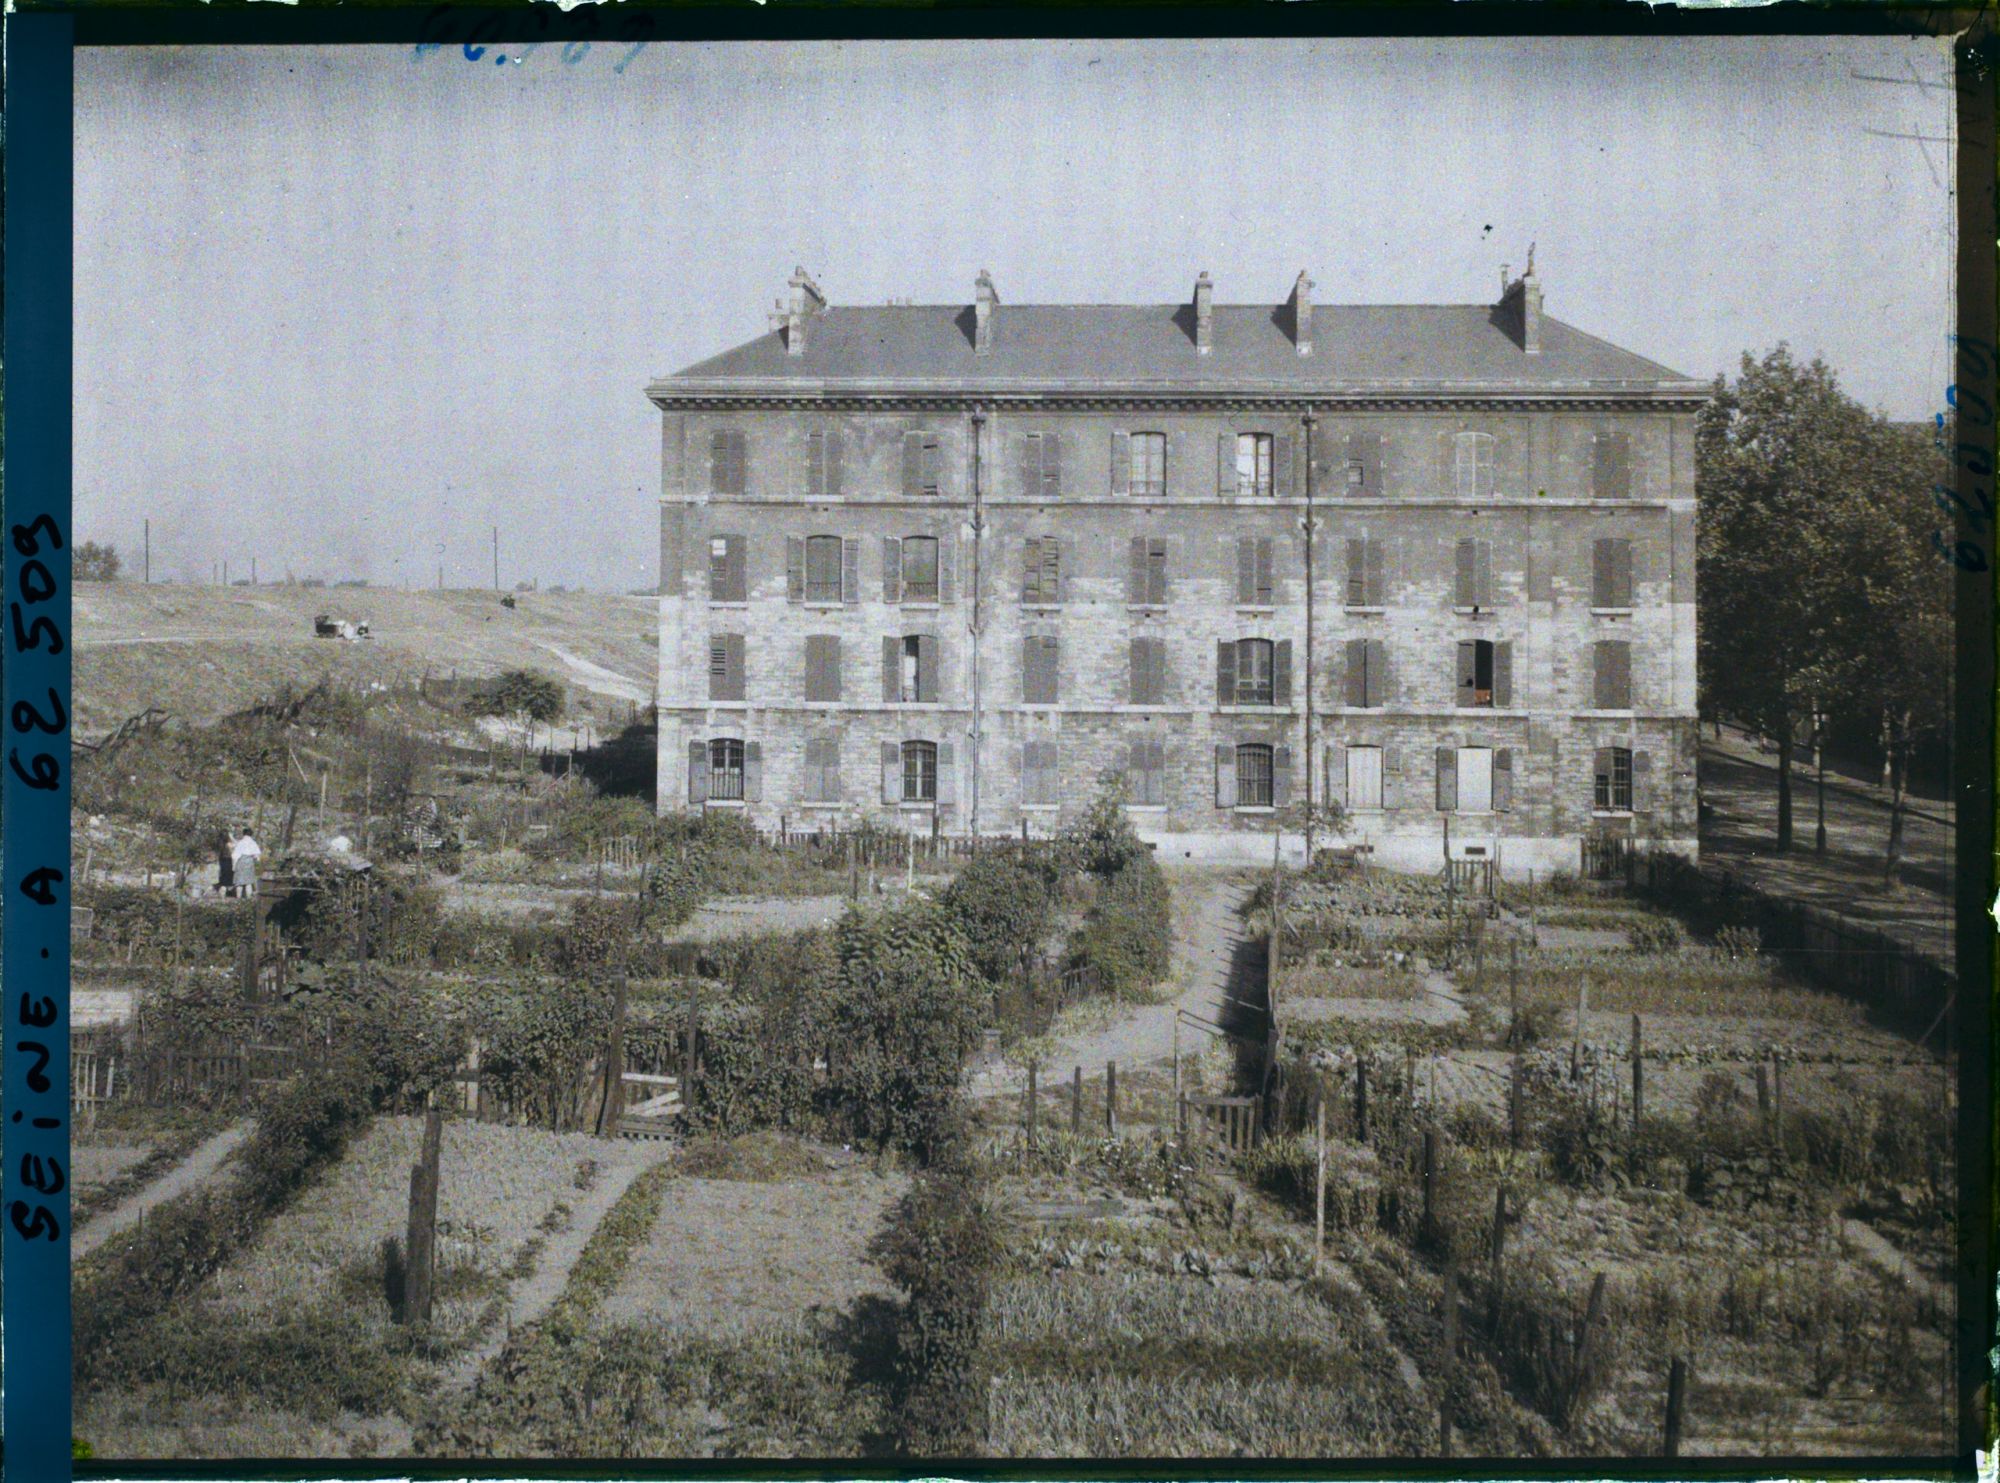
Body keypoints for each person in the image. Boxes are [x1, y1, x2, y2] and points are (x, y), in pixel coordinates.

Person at [231, 828, 263, 898]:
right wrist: (257, 866)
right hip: (250, 862)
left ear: (243, 833)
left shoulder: (241, 842)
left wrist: (234, 865)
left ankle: (238, 899)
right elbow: (257, 856)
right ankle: (249, 899)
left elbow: (235, 855)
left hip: (241, 862)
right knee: (249, 882)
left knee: (239, 882)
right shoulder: (253, 843)